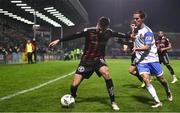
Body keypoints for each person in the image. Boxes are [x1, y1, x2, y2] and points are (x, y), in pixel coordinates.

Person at [49, 17, 127, 111]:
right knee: (74, 85)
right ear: (97, 23)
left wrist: (131, 36)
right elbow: (74, 35)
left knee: (106, 74)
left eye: (102, 29)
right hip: (86, 61)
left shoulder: (109, 32)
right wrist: (59, 40)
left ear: (106, 27)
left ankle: (113, 102)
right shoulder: (89, 31)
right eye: (99, 27)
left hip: (99, 60)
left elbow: (121, 35)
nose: (100, 30)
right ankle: (73, 95)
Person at [132, 10, 172, 108]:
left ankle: (168, 91)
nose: (135, 20)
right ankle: (157, 101)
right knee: (146, 80)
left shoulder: (148, 31)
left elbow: (147, 47)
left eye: (137, 18)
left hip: (152, 59)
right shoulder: (136, 29)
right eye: (134, 18)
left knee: (161, 79)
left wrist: (136, 48)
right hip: (141, 61)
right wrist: (133, 34)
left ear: (142, 19)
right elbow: (133, 38)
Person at [120, 20, 145, 88]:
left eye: (135, 25)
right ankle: (145, 80)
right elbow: (127, 42)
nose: (133, 27)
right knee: (136, 70)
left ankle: (145, 80)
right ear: (130, 26)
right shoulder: (129, 34)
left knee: (131, 70)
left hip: (139, 54)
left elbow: (134, 42)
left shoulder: (140, 33)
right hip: (133, 55)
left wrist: (123, 42)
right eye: (132, 25)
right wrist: (125, 48)